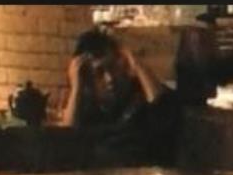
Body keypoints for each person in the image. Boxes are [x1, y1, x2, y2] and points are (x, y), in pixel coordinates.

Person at [62, 28, 178, 165]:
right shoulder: (87, 107)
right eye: (99, 73)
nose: (109, 78)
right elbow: (65, 143)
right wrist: (76, 87)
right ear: (87, 79)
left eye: (112, 67)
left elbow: (165, 116)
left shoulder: (141, 92)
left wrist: (137, 65)